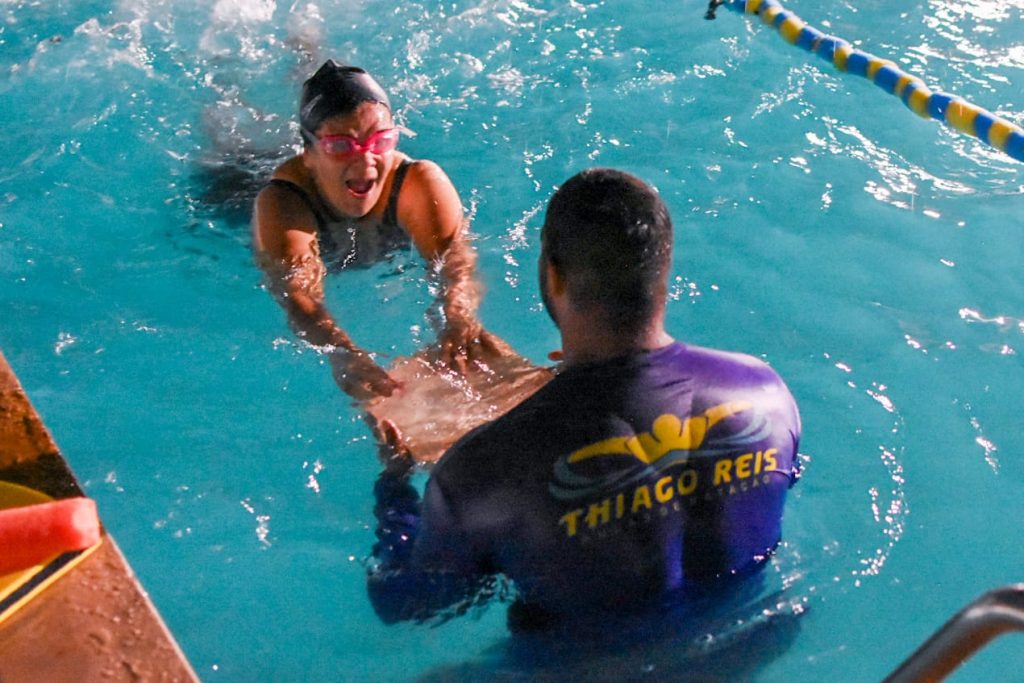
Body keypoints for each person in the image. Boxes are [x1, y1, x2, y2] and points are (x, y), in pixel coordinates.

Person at [366, 168, 802, 632]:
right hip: (754, 641)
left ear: (553, 276)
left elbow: (408, 603)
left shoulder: (482, 469)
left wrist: (395, 487)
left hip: (589, 662)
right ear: (664, 270)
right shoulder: (767, 394)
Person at [252, 60, 506, 400]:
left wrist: (459, 317)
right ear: (309, 154)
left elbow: (456, 265)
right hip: (233, 192)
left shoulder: (418, 182)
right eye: (341, 146)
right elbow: (298, 294)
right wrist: (342, 352)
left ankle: (307, 54)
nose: (365, 160)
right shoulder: (283, 203)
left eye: (380, 140)